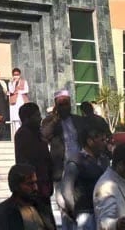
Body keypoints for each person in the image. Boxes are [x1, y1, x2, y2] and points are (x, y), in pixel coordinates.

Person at [41, 89, 87, 218]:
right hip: (60, 167)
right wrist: (55, 119)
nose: (64, 107)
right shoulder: (49, 121)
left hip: (80, 165)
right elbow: (44, 135)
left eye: (66, 103)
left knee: (79, 200)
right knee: (63, 204)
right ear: (56, 105)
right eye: (61, 104)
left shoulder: (79, 120)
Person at [60, 125, 110, 229]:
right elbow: (66, 191)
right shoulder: (76, 162)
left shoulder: (104, 160)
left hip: (102, 212)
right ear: (90, 141)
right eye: (101, 139)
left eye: (105, 139)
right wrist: (75, 211)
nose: (105, 143)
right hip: (85, 213)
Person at [15, 103, 55, 225]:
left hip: (44, 186)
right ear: (27, 118)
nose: (40, 118)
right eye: (36, 116)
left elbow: (46, 158)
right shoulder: (23, 135)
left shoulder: (38, 134)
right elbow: (25, 163)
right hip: (34, 188)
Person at [0, 164, 56, 230]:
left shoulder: (42, 208)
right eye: (30, 184)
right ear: (16, 186)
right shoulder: (1, 214)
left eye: (35, 183)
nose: (35, 188)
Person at [93, 143, 125, 230]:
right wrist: (116, 224)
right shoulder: (106, 187)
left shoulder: (121, 179)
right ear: (121, 165)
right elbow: (103, 221)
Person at [8, 68, 29, 138]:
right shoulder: (10, 82)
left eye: (17, 74)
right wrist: (13, 83)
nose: (16, 76)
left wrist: (19, 91)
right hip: (14, 103)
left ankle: (25, 135)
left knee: (23, 118)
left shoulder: (24, 81)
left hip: (22, 101)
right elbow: (11, 91)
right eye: (14, 75)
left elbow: (26, 90)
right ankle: (17, 135)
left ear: (19, 75)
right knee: (16, 119)